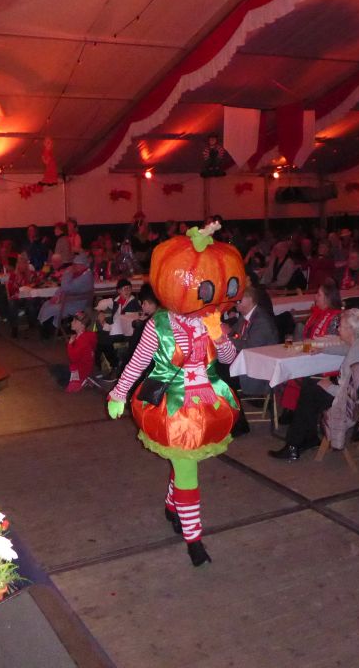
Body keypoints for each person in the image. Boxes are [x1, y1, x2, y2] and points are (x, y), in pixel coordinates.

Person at [107, 223, 244, 567]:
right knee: (186, 469)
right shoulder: (159, 325)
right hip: (174, 408)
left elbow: (230, 359)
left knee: (186, 463)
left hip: (209, 403)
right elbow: (138, 361)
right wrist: (119, 393)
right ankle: (194, 539)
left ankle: (173, 506)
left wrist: (219, 334)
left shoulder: (211, 318)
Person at [269, 309, 359, 460]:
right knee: (310, 385)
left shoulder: (355, 354)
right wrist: (323, 349)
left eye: (340, 326)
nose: (338, 328)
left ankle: (294, 445)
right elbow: (345, 349)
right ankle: (308, 438)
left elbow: (349, 392)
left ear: (350, 329)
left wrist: (329, 386)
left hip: (352, 400)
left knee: (309, 392)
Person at [228, 286, 280, 397]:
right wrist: (229, 334)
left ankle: (232, 404)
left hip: (257, 371)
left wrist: (228, 335)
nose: (235, 302)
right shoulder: (245, 316)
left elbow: (248, 347)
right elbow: (235, 335)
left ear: (250, 300)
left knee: (220, 372)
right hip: (246, 362)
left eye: (239, 299)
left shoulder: (261, 321)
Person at [38, 253, 94, 336]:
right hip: (69, 302)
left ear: (82, 265)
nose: (73, 267)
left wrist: (67, 273)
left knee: (50, 307)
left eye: (75, 265)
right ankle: (47, 328)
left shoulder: (85, 277)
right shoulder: (80, 274)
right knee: (47, 304)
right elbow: (63, 288)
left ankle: (48, 330)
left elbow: (65, 287)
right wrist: (56, 295)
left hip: (76, 306)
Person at [95, 278, 142, 375]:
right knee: (99, 337)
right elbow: (102, 303)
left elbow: (127, 323)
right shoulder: (117, 301)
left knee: (103, 340)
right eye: (124, 289)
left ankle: (112, 365)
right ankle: (104, 365)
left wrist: (108, 326)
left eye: (129, 288)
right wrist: (101, 312)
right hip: (115, 329)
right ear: (119, 291)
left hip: (126, 333)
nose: (127, 291)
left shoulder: (133, 303)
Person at [65, 311, 98, 392]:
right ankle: (85, 379)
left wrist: (70, 344)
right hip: (84, 367)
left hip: (80, 370)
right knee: (58, 370)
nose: (72, 322)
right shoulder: (85, 336)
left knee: (58, 374)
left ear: (82, 325)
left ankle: (83, 381)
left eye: (75, 321)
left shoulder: (82, 339)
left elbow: (73, 358)